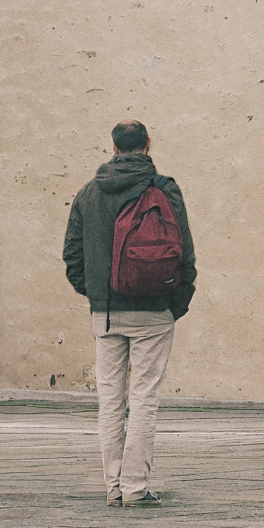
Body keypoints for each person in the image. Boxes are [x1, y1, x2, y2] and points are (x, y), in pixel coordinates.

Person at [62, 119, 197, 504]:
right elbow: (184, 252)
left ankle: (112, 487)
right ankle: (135, 487)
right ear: (148, 144)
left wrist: (96, 296)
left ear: (114, 146)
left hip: (106, 314)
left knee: (110, 399)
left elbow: (73, 256)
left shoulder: (89, 193)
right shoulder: (163, 189)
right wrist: (175, 305)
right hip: (154, 310)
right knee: (143, 399)